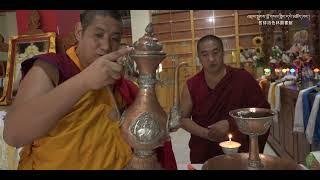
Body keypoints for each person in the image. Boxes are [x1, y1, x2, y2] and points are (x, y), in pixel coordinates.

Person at [3, 10, 176, 170]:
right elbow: (13, 134)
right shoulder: (53, 69)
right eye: (98, 35)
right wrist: (84, 81)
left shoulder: (118, 82)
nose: (106, 46)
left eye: (115, 38)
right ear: (79, 32)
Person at [180, 35, 270, 164]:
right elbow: (183, 119)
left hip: (239, 151)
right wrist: (207, 134)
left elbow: (263, 113)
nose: (211, 59)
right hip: (204, 150)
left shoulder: (243, 79)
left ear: (223, 53)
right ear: (199, 58)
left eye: (215, 53)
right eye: (205, 55)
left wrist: (231, 124)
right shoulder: (191, 85)